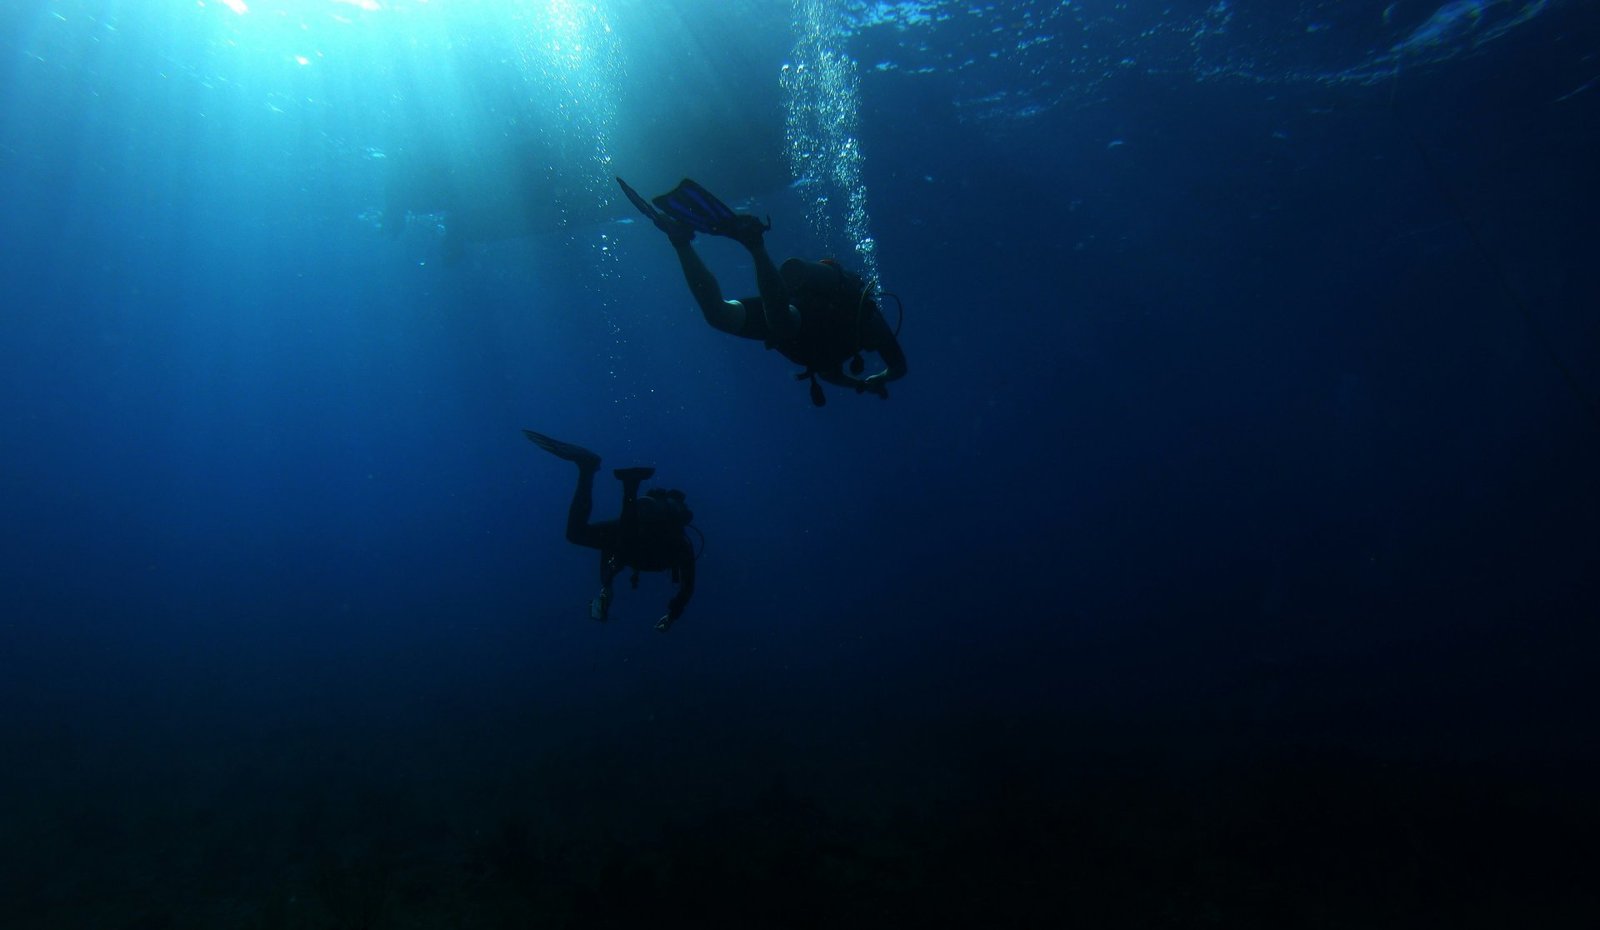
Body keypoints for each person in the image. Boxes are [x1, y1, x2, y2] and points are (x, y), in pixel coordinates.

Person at [616, 176, 907, 407]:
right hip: (805, 315)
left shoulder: (835, 356)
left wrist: (865, 383)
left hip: (790, 318)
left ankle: (680, 241)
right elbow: (899, 368)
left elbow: (831, 373)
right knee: (782, 323)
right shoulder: (870, 323)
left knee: (719, 316)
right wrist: (877, 378)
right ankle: (754, 244)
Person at [523, 430, 697, 632]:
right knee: (600, 536)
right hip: (635, 535)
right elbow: (687, 587)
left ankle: (594, 472)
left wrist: (606, 585)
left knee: (581, 534)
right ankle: (610, 479)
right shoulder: (680, 546)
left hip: (629, 531)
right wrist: (672, 615)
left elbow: (612, 550)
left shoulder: (677, 546)